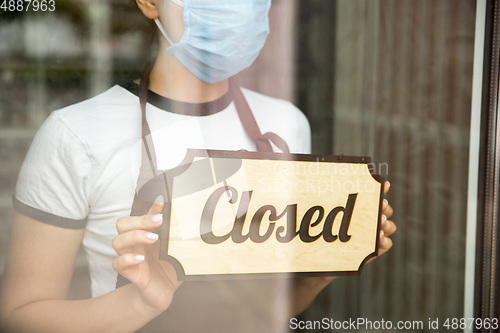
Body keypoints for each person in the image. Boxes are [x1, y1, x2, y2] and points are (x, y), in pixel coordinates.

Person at [0, 0, 396, 332]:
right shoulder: (75, 134)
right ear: (149, 2)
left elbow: (260, 315)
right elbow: (19, 317)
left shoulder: (286, 125)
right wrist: (138, 304)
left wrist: (320, 268)